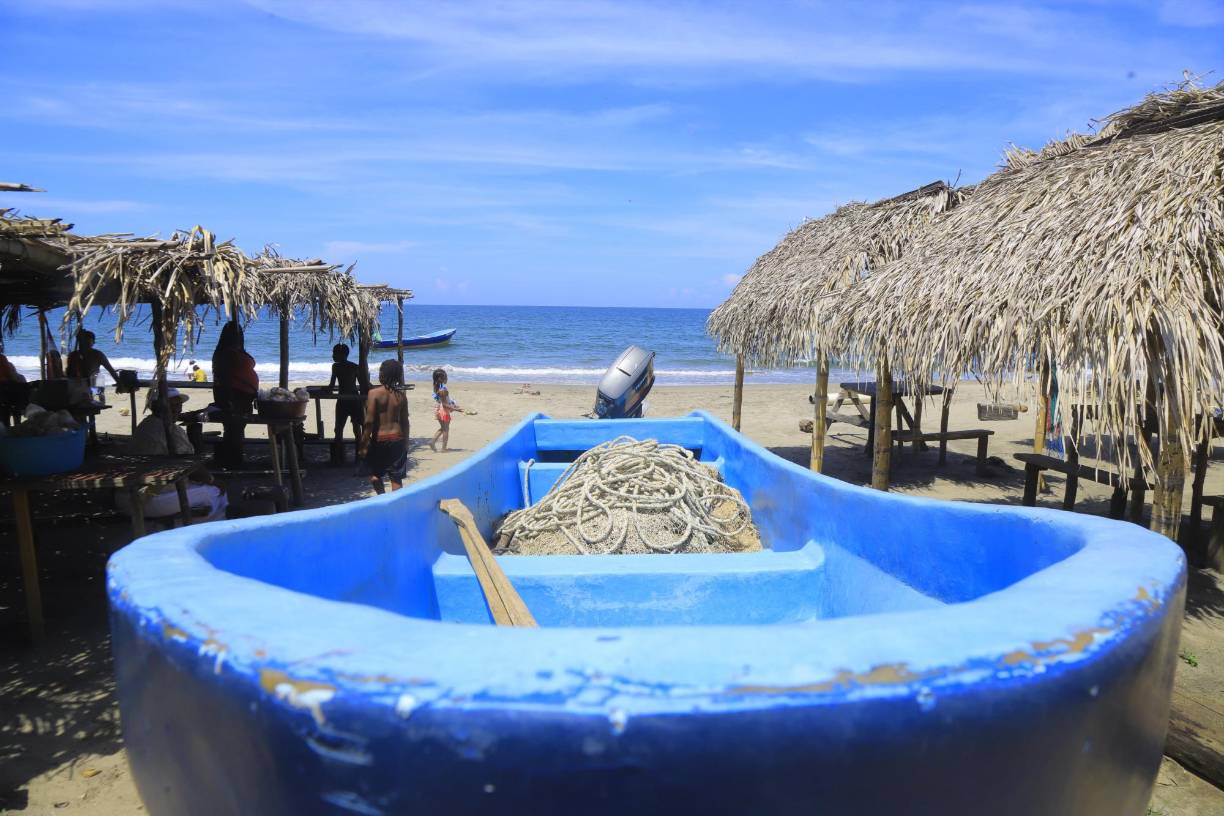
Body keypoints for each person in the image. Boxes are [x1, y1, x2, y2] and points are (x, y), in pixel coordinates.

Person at [116, 387, 227, 523]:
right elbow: (187, 467)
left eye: (178, 405)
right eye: (171, 405)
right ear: (156, 406)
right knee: (214, 493)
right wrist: (211, 480)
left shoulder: (155, 425)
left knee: (208, 492)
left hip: (141, 493)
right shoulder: (165, 430)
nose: (176, 409)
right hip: (145, 497)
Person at [211, 321, 259, 467]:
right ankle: (233, 461)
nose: (239, 335)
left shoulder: (236, 351)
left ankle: (234, 459)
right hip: (233, 396)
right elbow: (223, 377)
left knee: (236, 428)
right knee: (234, 428)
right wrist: (228, 399)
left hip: (243, 397)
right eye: (236, 333)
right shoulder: (226, 353)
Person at [358, 359, 410, 494]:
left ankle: (382, 497)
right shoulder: (401, 396)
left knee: (376, 476)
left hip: (380, 439)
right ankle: (395, 505)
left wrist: (363, 443)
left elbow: (369, 422)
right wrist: (406, 442)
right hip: (397, 438)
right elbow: (405, 422)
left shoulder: (374, 393)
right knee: (396, 478)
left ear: (382, 375)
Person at [66, 330, 119, 400]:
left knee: (99, 378)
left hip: (93, 385)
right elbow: (69, 373)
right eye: (85, 342)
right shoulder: (73, 355)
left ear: (93, 343)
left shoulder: (97, 354)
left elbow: (111, 370)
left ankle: (99, 398)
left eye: (88, 342)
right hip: (79, 386)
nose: (86, 344)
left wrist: (119, 383)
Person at [328, 343, 363, 445]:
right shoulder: (354, 366)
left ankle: (338, 457)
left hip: (344, 400)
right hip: (354, 399)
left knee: (339, 429)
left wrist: (326, 390)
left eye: (335, 353)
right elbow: (362, 384)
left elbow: (331, 385)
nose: (333, 356)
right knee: (356, 429)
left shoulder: (336, 367)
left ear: (342, 355)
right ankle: (359, 455)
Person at [429, 368, 462, 453]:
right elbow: (444, 404)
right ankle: (444, 448)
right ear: (440, 378)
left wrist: (453, 404)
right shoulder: (443, 390)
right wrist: (455, 409)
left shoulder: (437, 387)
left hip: (439, 409)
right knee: (446, 429)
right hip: (443, 411)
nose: (447, 378)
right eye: (445, 377)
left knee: (443, 428)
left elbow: (444, 401)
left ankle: (432, 442)